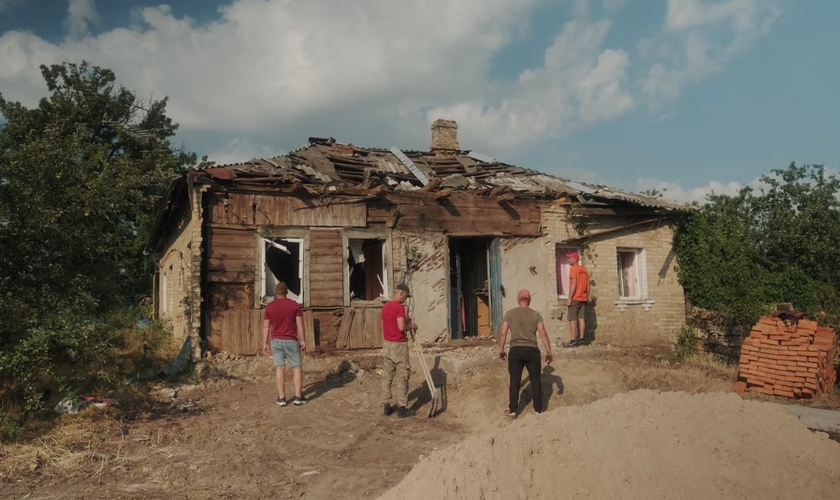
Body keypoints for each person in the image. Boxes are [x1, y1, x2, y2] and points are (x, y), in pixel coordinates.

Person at [498, 289, 554, 419]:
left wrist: (501, 349)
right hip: (532, 351)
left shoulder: (510, 314)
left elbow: (503, 333)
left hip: (516, 350)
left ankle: (513, 411)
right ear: (529, 300)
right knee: (535, 380)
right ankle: (538, 410)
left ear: (518, 299)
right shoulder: (536, 315)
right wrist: (549, 351)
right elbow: (543, 333)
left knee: (515, 381)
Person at [262, 282, 307, 407]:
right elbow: (300, 324)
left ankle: (282, 398)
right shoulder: (294, 306)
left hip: (276, 341)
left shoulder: (270, 307)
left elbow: (266, 327)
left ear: (276, 293)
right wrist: (302, 340)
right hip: (291, 340)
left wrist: (265, 343)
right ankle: (298, 397)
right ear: (287, 292)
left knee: (279, 368)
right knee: (296, 367)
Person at [381, 283, 417, 418]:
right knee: (403, 375)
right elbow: (401, 327)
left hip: (387, 344)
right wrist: (411, 325)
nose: (405, 300)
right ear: (401, 293)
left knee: (387, 377)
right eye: (405, 297)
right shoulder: (399, 307)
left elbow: (386, 324)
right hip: (399, 345)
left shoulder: (385, 307)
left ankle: (387, 406)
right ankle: (402, 408)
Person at [565, 251, 590, 347]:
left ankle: (573, 340)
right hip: (583, 298)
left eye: (569, 258)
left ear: (574, 259)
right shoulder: (584, 269)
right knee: (581, 318)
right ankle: (582, 340)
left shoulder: (573, 269)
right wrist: (587, 296)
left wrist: (569, 298)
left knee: (572, 319)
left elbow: (574, 284)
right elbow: (588, 285)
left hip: (575, 298)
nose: (568, 260)